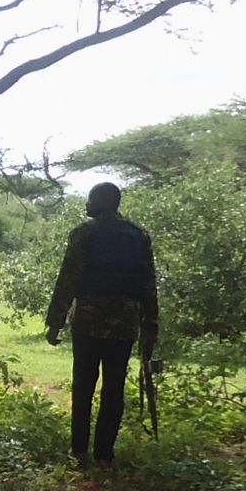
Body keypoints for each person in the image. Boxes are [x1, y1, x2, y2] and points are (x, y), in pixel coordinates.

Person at [46, 182, 160, 468]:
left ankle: (79, 450)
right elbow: (149, 285)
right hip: (125, 324)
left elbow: (68, 279)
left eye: (90, 199)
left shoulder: (84, 234)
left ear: (101, 202)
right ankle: (104, 454)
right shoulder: (138, 236)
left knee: (83, 385)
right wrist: (151, 325)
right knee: (114, 388)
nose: (87, 205)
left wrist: (55, 322)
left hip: (88, 321)